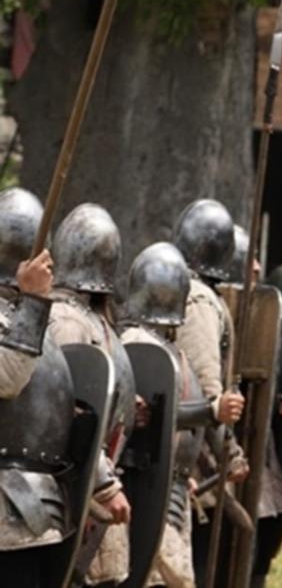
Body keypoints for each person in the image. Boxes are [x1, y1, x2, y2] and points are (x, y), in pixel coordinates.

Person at [46, 203, 142, 587]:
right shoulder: (66, 319)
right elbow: (69, 411)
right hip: (75, 488)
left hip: (94, 482)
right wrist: (100, 485)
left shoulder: (92, 319)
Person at [118, 242, 210, 588]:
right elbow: (153, 417)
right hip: (144, 486)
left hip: (172, 486)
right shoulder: (136, 343)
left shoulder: (168, 350)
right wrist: (212, 411)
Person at [0, 187, 77, 586]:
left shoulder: (30, 321)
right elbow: (8, 380)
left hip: (37, 504)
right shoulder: (27, 316)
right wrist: (32, 302)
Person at [172, 199, 249, 583]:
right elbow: (208, 391)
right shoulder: (200, 299)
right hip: (193, 457)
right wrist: (228, 452)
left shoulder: (182, 288)